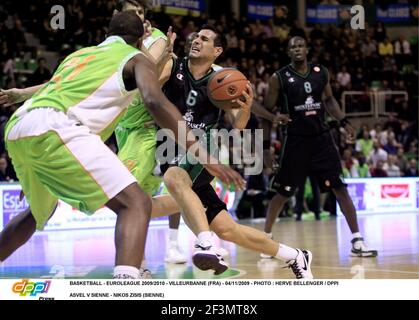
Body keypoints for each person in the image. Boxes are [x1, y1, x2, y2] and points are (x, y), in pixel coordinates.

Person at [0, 11, 244, 279]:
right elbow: (155, 101)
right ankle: (127, 283)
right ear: (141, 41)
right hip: (59, 128)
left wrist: (33, 164)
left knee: (36, 214)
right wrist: (204, 155)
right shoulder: (135, 58)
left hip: (20, 126)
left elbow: (52, 92)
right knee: (137, 203)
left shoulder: (80, 55)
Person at [159, 27, 313, 279]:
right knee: (228, 230)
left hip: (202, 146)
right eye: (196, 37)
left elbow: (239, 124)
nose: (196, 40)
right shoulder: (174, 65)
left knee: (174, 178)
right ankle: (295, 256)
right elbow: (149, 91)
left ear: (217, 51)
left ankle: (205, 243)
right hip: (169, 145)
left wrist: (247, 107)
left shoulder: (221, 80)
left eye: (204, 39)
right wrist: (162, 56)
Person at [262, 37, 377, 258]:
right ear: (288, 52)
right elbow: (267, 114)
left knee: (340, 188)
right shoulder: (279, 78)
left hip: (322, 140)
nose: (297, 49)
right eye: (292, 47)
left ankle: (357, 241)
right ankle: (265, 239)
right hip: (294, 142)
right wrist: (266, 147)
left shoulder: (320, 72)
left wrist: (344, 122)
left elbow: (330, 100)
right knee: (283, 193)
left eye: (300, 46)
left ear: (307, 49)